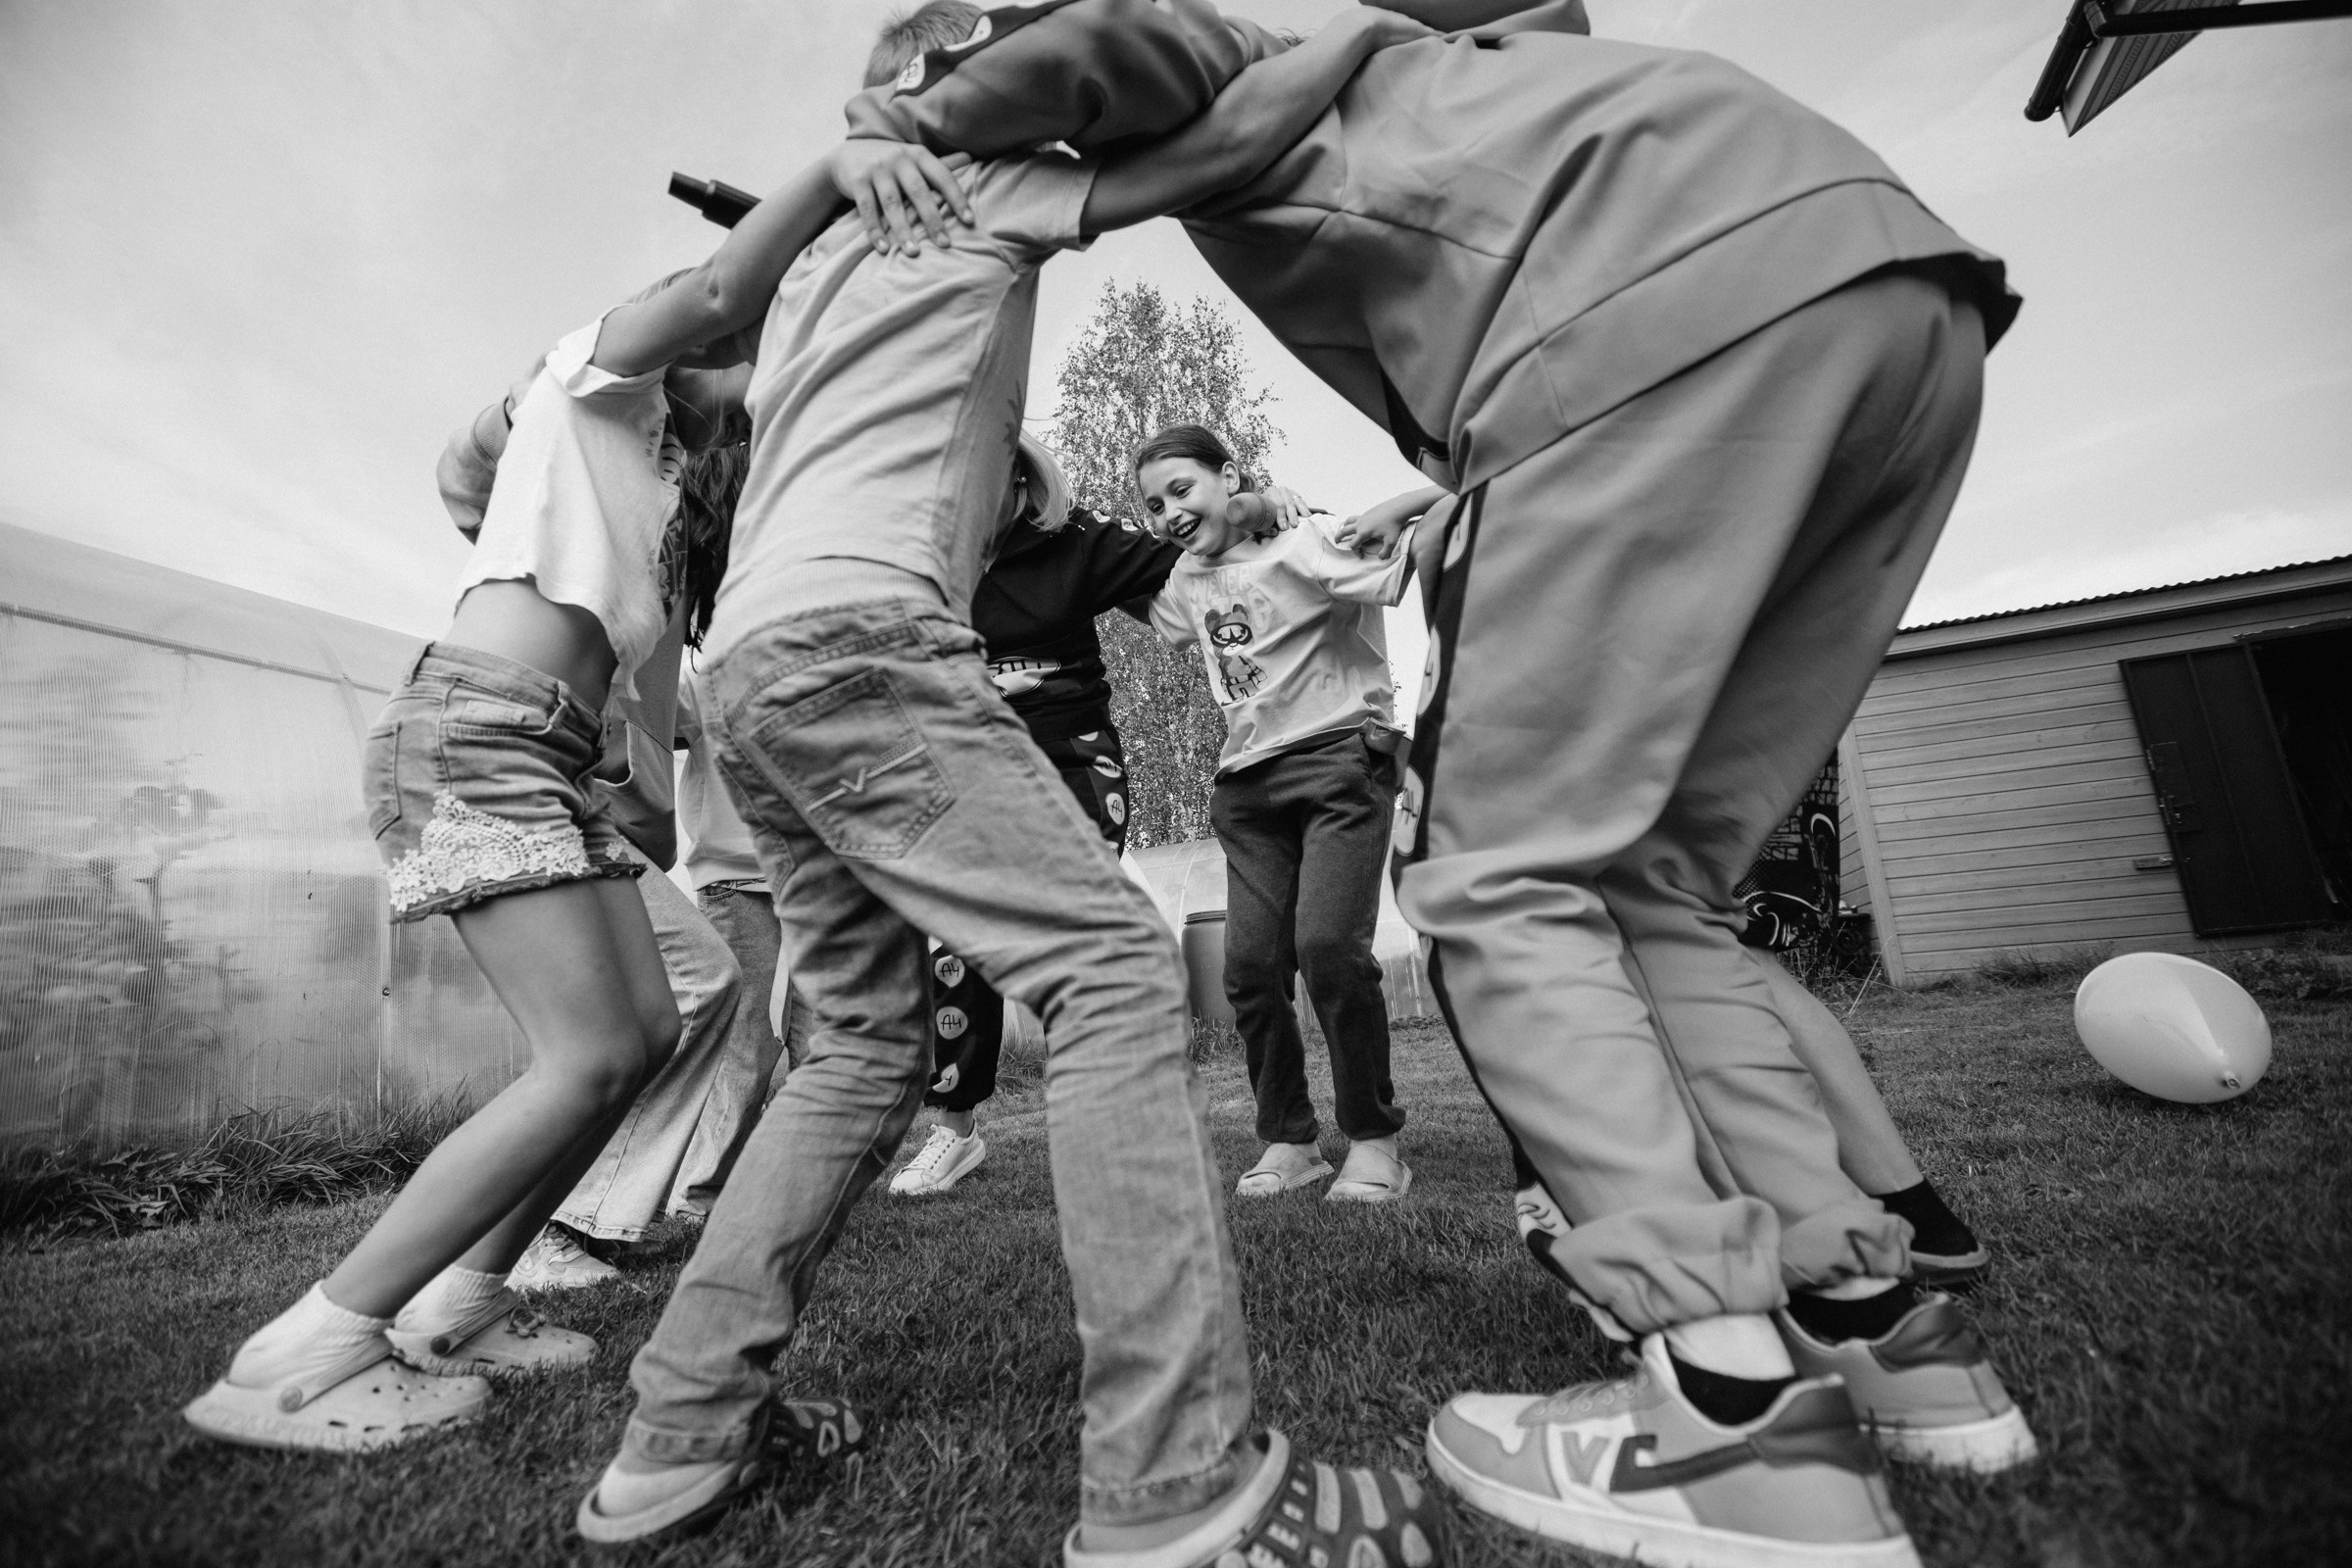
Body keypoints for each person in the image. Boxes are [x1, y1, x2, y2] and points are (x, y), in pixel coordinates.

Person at [846, 4, 2037, 1565]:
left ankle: (1730, 1421)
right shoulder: (1480, 79)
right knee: (1651, 892)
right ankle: (1881, 1327)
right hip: (1903, 303)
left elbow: (1106, 29)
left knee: (1502, 879)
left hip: (1654, 322)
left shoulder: (1258, 57)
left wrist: (892, 132)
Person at [574, 9, 1451, 1567]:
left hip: (753, 670)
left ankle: (679, 1437)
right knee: (1116, 976)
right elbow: (1231, 146)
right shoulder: (979, 182)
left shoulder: (826, 246)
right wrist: (1365, 32)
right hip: (865, 642)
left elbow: (699, 314)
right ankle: (1178, 1489)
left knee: (854, 1042)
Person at [178, 146, 965, 1453]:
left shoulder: (657, 483)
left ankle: (464, 1301)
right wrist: (839, 173)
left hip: (542, 756)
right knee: (592, 1050)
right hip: (474, 732)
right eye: (749, 361)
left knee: (660, 1018)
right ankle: (302, 1355)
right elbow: (717, 290)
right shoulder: (588, 378)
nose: (752, 394)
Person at [891, 450, 1311, 1198]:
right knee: (954, 940)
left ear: (1022, 483)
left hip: (1070, 755)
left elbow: (1197, 557)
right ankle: (953, 1132)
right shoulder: (921, 563)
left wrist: (1259, 507)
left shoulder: (1077, 539)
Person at [1134, 429, 1430, 1202]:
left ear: (1227, 475)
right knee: (1252, 968)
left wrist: (1402, 498)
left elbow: (1436, 518)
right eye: (1153, 503)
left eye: (1182, 489)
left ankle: (1374, 1142)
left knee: (1329, 947)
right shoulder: (1181, 582)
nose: (1168, 511)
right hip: (1248, 788)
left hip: (1339, 764)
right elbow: (1120, 584)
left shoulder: (1307, 541)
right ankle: (1289, 1140)